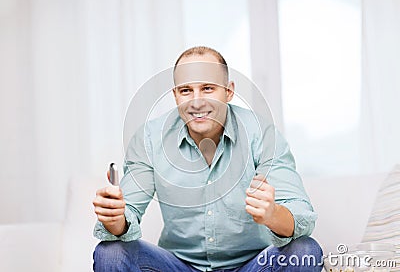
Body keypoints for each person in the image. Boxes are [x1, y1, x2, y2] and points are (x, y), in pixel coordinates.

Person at [92, 46, 323, 271]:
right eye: (185, 91)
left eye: (208, 88)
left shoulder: (262, 133)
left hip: (252, 266)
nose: (196, 102)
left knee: (304, 251)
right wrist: (115, 219)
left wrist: (273, 215)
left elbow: (300, 214)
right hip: (178, 265)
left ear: (229, 91)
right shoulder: (150, 138)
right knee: (110, 252)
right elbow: (127, 214)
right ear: (175, 95)